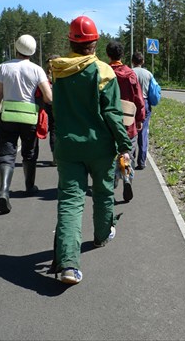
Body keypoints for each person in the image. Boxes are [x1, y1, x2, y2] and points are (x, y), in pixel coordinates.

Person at [50, 16, 132, 285]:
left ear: (71, 41)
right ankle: (100, 236)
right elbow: (112, 114)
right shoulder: (104, 72)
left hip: (68, 148)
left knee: (71, 203)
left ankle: (68, 266)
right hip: (100, 147)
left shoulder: (58, 70)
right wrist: (124, 145)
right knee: (102, 192)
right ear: (95, 42)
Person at [0, 34, 52, 214]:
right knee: (29, 153)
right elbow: (48, 97)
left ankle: (4, 191)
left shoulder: (3, 67)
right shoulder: (37, 70)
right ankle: (29, 187)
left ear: (16, 48)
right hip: (29, 118)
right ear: (33, 51)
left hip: (8, 116)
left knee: (6, 154)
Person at [106, 41, 146, 202]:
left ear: (108, 54)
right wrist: (140, 118)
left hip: (109, 121)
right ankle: (126, 177)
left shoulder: (104, 72)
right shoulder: (130, 74)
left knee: (110, 152)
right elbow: (138, 98)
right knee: (127, 152)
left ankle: (113, 177)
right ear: (122, 55)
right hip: (128, 120)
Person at [131, 51, 154, 170]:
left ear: (132, 61)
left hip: (131, 104)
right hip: (145, 103)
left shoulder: (130, 73)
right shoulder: (148, 74)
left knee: (131, 130)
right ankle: (142, 161)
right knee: (143, 132)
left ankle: (131, 158)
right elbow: (153, 92)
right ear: (143, 61)